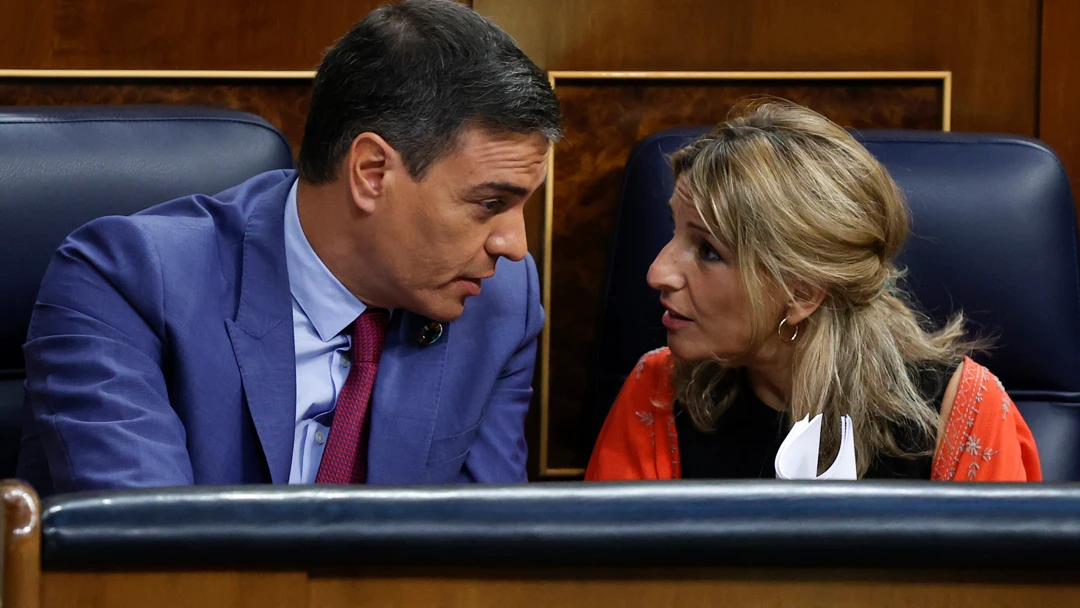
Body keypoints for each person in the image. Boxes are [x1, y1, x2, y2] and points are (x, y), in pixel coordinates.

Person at [18, 0, 561, 495]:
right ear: (372, 173)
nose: (514, 246)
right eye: (490, 203)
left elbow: (487, 553)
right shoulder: (124, 282)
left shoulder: (502, 301)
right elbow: (154, 564)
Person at [586, 99, 1040, 482]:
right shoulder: (658, 392)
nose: (657, 272)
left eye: (708, 250)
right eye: (675, 230)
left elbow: (1000, 588)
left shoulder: (960, 413)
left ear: (802, 292)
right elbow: (606, 584)